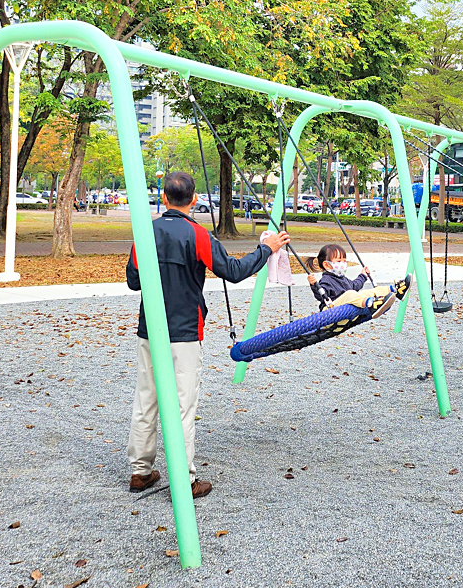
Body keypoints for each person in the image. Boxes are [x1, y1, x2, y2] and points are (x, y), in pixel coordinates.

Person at [125, 171, 289, 499]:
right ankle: (184, 481)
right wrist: (266, 249)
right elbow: (234, 271)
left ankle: (140, 471)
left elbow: (134, 281)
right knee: (183, 406)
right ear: (195, 199)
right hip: (185, 331)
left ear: (165, 199)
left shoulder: (145, 233)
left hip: (150, 329)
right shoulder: (198, 235)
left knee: (147, 399)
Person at [305, 244, 411, 317]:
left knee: (366, 292)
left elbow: (355, 285)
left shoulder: (342, 278)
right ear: (327, 265)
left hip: (344, 309)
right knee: (350, 294)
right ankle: (371, 304)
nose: (343, 263)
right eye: (339, 261)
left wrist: (363, 275)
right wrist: (314, 285)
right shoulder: (326, 280)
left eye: (344, 261)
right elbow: (321, 296)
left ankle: (397, 290)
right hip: (330, 312)